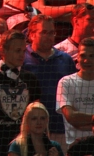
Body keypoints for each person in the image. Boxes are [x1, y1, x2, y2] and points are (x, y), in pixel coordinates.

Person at [0, 29, 42, 156]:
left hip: (25, 147)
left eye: (23, 51)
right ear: (3, 51)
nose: (22, 55)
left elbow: (37, 114)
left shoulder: (30, 79)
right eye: (17, 51)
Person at [23, 15, 76, 146]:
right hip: (31, 129)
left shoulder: (65, 59)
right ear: (32, 35)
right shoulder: (22, 58)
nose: (49, 36)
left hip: (61, 129)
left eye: (52, 32)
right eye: (44, 32)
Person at [58, 38, 94, 146]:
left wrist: (82, 121)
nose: (87, 60)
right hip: (76, 148)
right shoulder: (66, 82)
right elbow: (72, 117)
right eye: (83, 56)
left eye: (92, 56)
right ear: (77, 57)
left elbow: (77, 121)